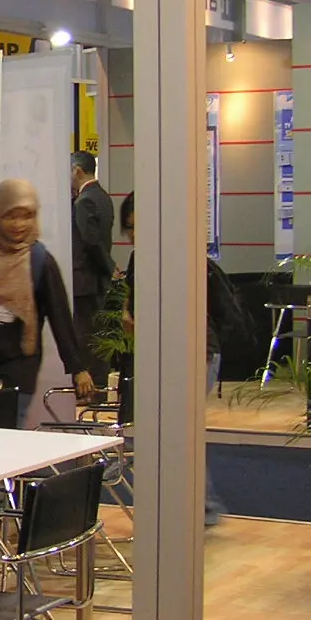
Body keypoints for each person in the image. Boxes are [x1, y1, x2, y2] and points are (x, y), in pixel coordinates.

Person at [119, 192, 227, 527]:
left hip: (196, 354)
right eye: (129, 227)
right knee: (171, 432)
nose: (133, 234)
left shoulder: (180, 258)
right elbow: (135, 308)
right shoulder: (140, 259)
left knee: (180, 431)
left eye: (139, 225)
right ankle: (187, 505)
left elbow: (186, 314)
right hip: (161, 355)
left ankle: (202, 506)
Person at [0, 178, 94, 422]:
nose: (19, 224)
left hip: (18, 365)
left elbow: (59, 316)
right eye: (10, 216)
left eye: (27, 216)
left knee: (9, 430)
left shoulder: (40, 261)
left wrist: (77, 368)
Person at [70, 150, 116, 389]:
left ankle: (90, 388)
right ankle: (99, 385)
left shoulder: (84, 201)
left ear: (77, 170)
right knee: (98, 335)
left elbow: (90, 241)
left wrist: (109, 267)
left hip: (85, 281)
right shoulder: (103, 197)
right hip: (98, 281)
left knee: (85, 336)